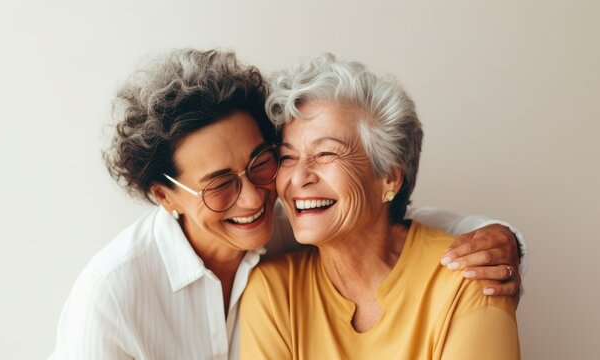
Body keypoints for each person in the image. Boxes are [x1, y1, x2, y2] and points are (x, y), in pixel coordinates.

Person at [49, 49, 525, 360]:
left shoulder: (291, 224)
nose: (258, 196)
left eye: (261, 163)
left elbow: (391, 226)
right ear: (163, 195)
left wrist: (503, 238)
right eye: (219, 185)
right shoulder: (111, 298)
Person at [239, 54, 520, 359]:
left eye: (326, 153)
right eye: (289, 157)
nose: (299, 177)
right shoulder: (273, 292)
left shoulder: (471, 277)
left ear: (389, 178)